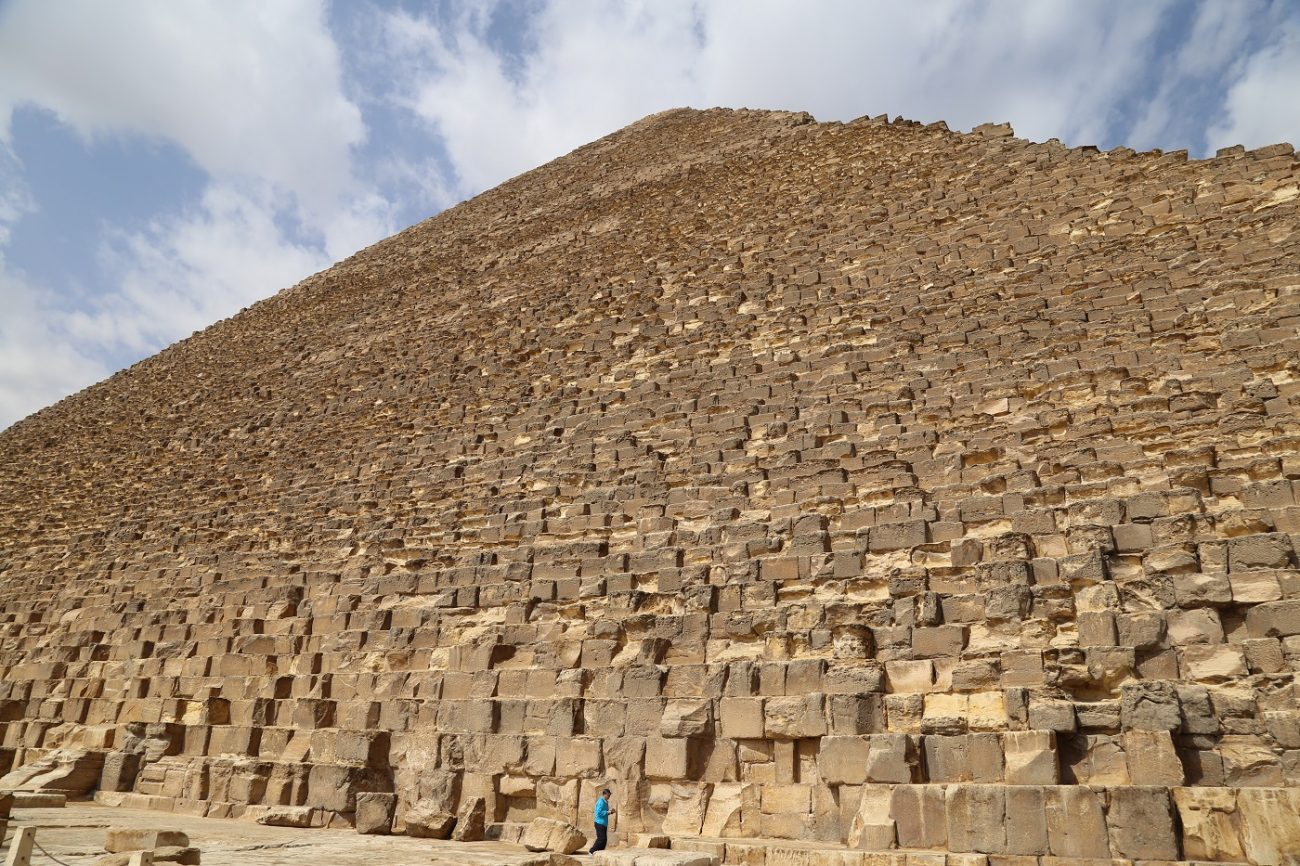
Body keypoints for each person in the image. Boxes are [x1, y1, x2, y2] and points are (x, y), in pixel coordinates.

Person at [589, 787, 614, 854]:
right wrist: (607, 812)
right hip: (599, 823)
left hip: (603, 824)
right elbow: (598, 813)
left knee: (604, 840)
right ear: (604, 794)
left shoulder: (605, 802)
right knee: (601, 839)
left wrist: (610, 812)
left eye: (610, 795)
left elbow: (604, 812)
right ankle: (591, 851)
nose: (609, 796)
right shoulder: (601, 801)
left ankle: (600, 853)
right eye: (608, 795)